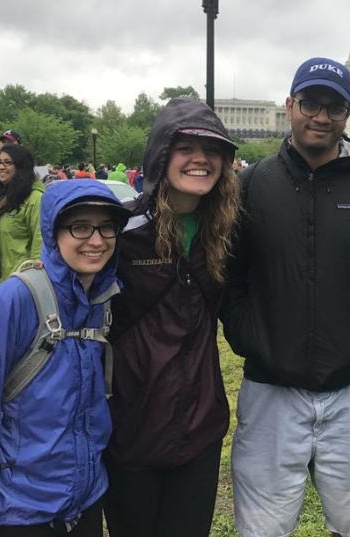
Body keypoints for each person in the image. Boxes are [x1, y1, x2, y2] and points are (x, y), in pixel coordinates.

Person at [220, 57, 350, 537]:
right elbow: (228, 275)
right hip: (270, 388)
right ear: (290, 106)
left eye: (333, 106)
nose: (321, 115)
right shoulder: (253, 185)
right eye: (310, 102)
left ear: (347, 113)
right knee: (263, 527)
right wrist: (250, 336)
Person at [0, 179, 130, 537]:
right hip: (22, 513)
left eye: (107, 227)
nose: (97, 240)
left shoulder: (102, 299)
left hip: (84, 504)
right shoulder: (9, 303)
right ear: (52, 231)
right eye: (80, 227)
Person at [103, 97, 239, 537]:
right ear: (162, 155)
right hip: (131, 427)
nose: (200, 159)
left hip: (198, 426)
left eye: (212, 149)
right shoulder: (120, 233)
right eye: (185, 148)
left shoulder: (226, 233)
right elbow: (59, 296)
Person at [0, 143, 44, 298]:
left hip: (18, 286)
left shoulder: (34, 198)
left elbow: (39, 243)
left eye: (7, 162)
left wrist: (32, 281)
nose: (1, 167)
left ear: (21, 166)